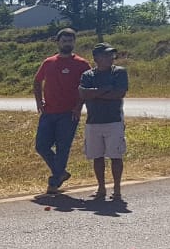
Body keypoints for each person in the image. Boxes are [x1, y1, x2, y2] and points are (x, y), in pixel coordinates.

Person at [33, 28, 91, 194]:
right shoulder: (48, 62)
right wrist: (39, 101)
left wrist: (78, 107)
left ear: (74, 43)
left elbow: (85, 88)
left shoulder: (82, 64)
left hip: (68, 113)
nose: (67, 43)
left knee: (62, 147)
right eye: (64, 40)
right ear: (58, 42)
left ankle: (54, 181)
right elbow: (37, 82)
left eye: (70, 41)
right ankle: (61, 173)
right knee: (41, 146)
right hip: (49, 112)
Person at [79, 43, 129, 200]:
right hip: (93, 121)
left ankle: (117, 189)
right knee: (97, 156)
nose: (110, 58)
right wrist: (106, 89)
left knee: (116, 156)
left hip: (114, 120)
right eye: (106, 55)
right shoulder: (88, 75)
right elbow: (83, 93)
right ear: (96, 58)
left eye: (111, 55)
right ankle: (101, 188)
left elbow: (119, 93)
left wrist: (94, 93)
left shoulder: (119, 72)